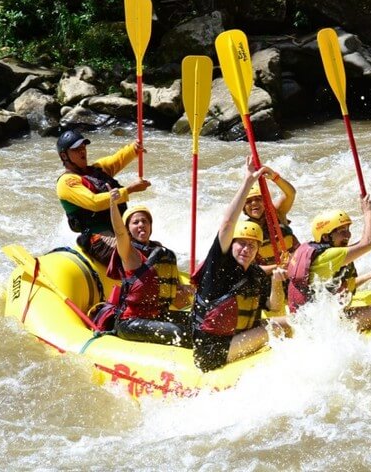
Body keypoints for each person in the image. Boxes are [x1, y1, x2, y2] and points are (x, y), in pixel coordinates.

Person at [192, 157, 291, 372]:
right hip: (213, 350)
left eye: (252, 246)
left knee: (293, 322)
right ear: (232, 245)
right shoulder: (218, 267)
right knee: (276, 329)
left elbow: (274, 308)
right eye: (241, 245)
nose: (246, 249)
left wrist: (275, 280)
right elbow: (228, 224)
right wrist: (247, 182)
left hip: (240, 338)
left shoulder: (255, 273)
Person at [287, 195, 371, 330]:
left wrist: (370, 275)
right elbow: (369, 242)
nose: (348, 235)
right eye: (342, 231)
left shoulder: (326, 255)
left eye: (348, 229)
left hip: (312, 320)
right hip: (319, 326)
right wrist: (367, 211)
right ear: (326, 236)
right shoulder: (330, 256)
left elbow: (342, 287)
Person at [104, 198, 193, 347]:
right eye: (135, 222)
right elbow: (119, 233)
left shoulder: (160, 253)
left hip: (157, 316)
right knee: (183, 332)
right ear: (128, 229)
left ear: (150, 226)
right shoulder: (128, 252)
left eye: (145, 221)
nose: (141, 225)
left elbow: (172, 291)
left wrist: (184, 289)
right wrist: (113, 204)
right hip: (130, 322)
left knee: (200, 323)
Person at [56, 129, 150, 265]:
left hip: (119, 230)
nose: (82, 151)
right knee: (135, 260)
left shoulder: (97, 169)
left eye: (83, 147)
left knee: (151, 250)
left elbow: (118, 159)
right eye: (76, 149)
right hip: (97, 238)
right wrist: (129, 190)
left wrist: (134, 149)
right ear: (64, 156)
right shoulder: (66, 182)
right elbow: (94, 203)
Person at [242, 170, 300, 268]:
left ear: (265, 202)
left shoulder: (277, 213)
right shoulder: (244, 230)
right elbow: (250, 269)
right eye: (248, 201)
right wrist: (277, 267)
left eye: (258, 199)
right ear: (243, 208)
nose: (253, 203)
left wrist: (275, 177)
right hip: (271, 275)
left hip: (296, 264)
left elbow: (291, 193)